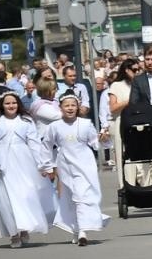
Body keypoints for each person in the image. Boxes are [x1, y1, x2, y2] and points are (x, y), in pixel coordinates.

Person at [0, 90, 55, 248]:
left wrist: (42, 165)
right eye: (7, 103)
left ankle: (24, 228)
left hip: (24, 162)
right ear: (2, 105)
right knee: (6, 200)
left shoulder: (26, 121)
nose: (11, 106)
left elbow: (35, 144)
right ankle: (14, 233)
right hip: (2, 166)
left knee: (25, 195)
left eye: (14, 103)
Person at [41, 93, 106, 245]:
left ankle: (83, 231)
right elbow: (46, 146)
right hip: (65, 164)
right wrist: (47, 166)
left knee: (82, 195)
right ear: (61, 108)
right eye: (67, 105)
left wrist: (103, 138)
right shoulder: (54, 126)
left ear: (77, 107)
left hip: (85, 163)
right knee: (72, 197)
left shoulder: (85, 124)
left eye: (73, 105)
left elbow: (95, 142)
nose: (70, 108)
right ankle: (76, 228)